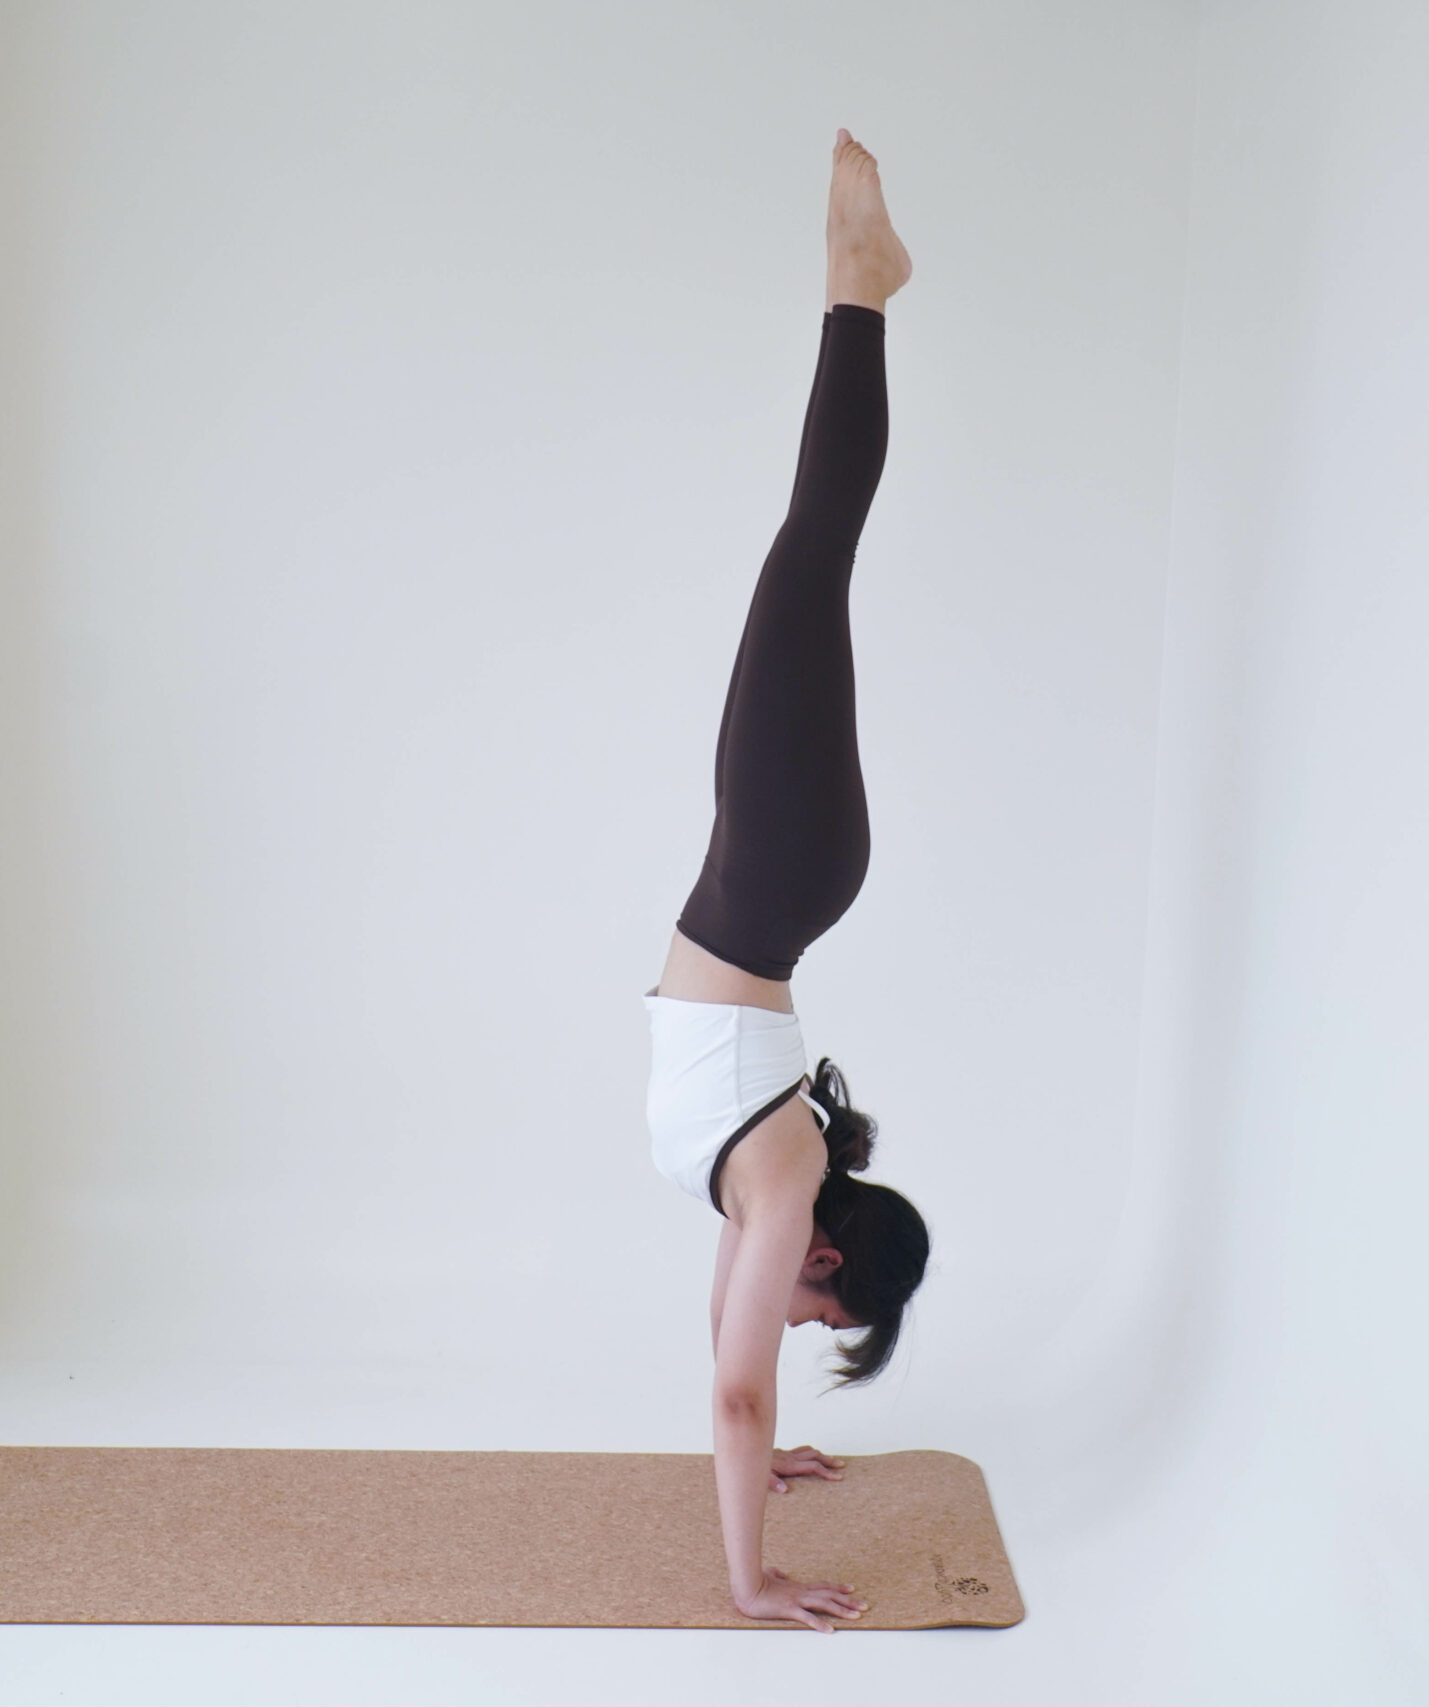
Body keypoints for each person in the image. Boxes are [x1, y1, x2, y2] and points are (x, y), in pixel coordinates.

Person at [642, 130, 930, 1634]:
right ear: (828, 1261)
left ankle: (855, 290)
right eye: (825, 1310)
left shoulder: (777, 1197)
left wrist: (768, 1478)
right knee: (812, 552)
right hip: (778, 865)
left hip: (778, 873)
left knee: (805, 559)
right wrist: (748, 1582)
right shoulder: (788, 1184)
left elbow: (726, 1360)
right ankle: (859, 289)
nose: (788, 1317)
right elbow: (742, 1385)